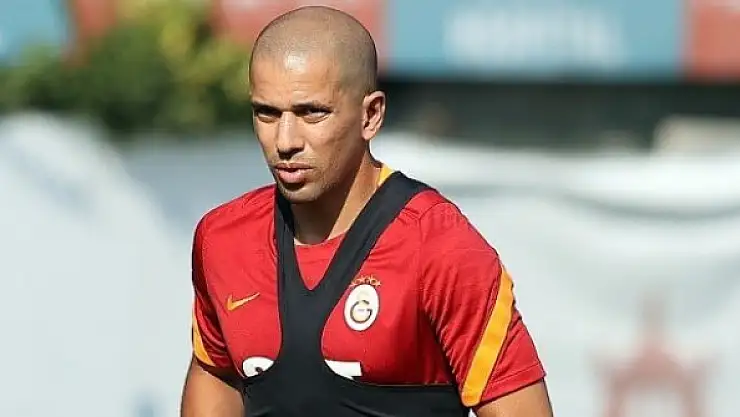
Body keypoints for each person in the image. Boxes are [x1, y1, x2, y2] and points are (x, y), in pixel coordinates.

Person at [180, 6, 553, 417]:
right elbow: (215, 374)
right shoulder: (223, 238)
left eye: (311, 113)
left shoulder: (440, 245)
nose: (284, 141)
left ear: (371, 115)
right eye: (266, 113)